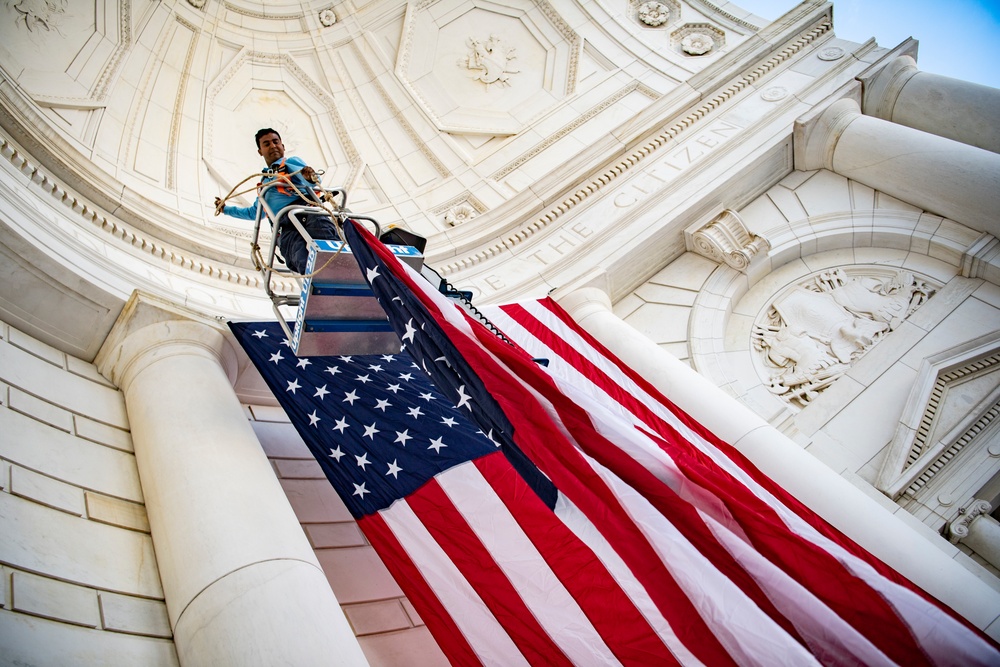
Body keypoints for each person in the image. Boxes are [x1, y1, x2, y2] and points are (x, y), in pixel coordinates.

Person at [215, 128, 339, 274]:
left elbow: (312, 180)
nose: (273, 146)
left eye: (276, 142)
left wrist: (307, 176)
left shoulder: (290, 163)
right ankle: (315, 280)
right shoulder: (264, 186)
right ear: (260, 151)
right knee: (296, 253)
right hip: (283, 227)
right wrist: (226, 209)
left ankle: (340, 265)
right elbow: (254, 213)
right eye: (266, 144)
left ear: (283, 146)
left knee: (324, 238)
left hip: (304, 212)